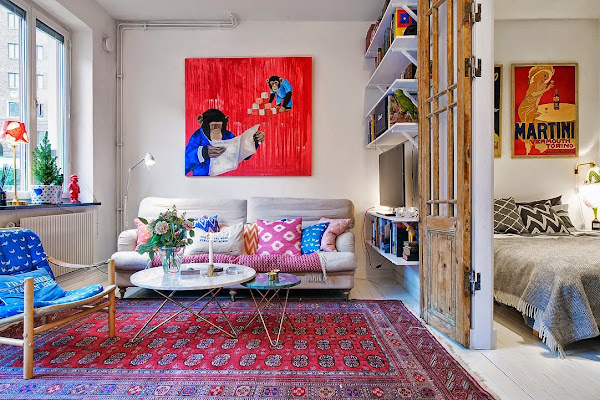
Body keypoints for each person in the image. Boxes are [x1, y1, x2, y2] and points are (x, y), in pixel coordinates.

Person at [185, 109, 265, 176]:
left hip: (226, 177)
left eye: (219, 126)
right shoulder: (198, 136)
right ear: (201, 121)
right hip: (202, 179)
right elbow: (185, 164)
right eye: (213, 126)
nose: (216, 131)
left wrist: (255, 140)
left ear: (226, 122)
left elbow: (243, 154)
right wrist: (203, 152)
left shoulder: (227, 135)